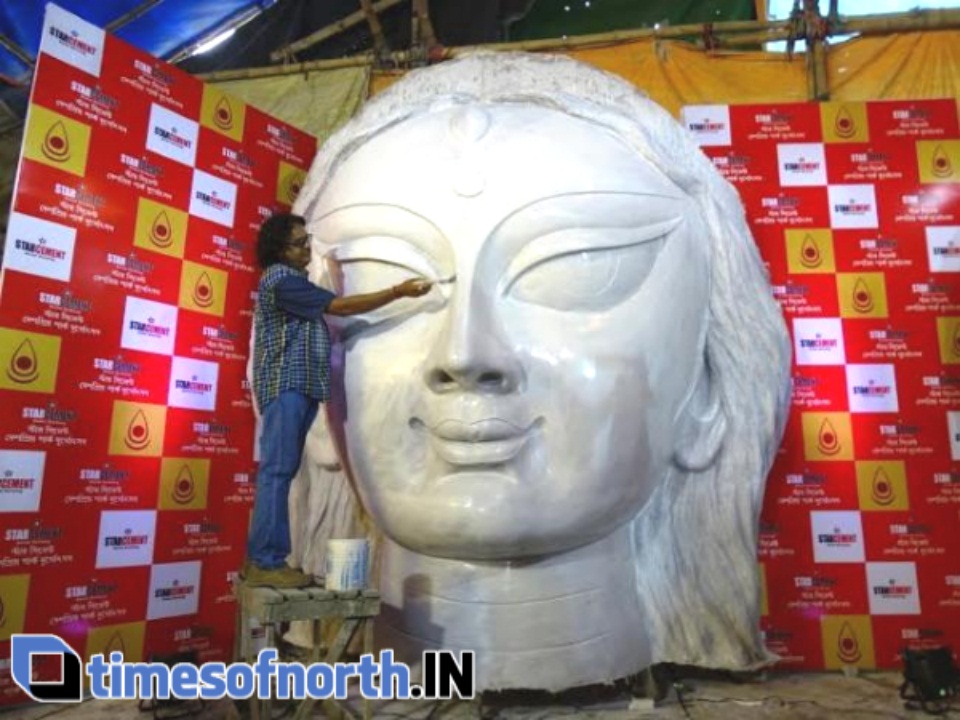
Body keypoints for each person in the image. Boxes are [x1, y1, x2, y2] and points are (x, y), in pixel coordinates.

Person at [292, 52, 792, 690]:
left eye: (580, 268)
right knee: (442, 683)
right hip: (406, 661)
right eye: (378, 277)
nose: (466, 354)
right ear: (312, 414)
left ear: (709, 388)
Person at [243, 212, 430, 588]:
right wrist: (397, 292)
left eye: (307, 240)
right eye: (299, 243)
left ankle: (266, 558)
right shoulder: (282, 281)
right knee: (277, 473)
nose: (307, 248)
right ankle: (266, 560)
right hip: (286, 387)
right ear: (281, 249)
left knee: (280, 472)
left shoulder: (294, 282)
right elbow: (339, 307)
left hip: (301, 388)